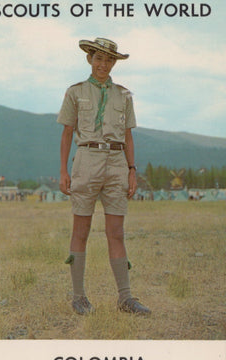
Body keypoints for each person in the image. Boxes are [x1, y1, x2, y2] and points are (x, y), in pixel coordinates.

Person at [57, 37, 151, 316]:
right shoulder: (75, 92)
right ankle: (78, 297)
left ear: (114, 63)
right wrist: (63, 170)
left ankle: (125, 298)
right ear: (90, 60)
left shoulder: (124, 95)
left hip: (116, 162)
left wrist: (132, 170)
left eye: (109, 60)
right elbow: (66, 134)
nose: (103, 64)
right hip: (86, 160)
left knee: (116, 233)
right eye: (98, 58)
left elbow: (128, 136)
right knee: (81, 230)